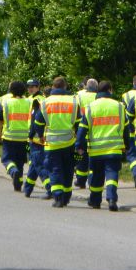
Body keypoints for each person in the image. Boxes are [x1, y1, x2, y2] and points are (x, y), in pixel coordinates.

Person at [75, 80, 129, 211]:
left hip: (96, 150)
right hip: (114, 149)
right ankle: (111, 198)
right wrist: (127, 145)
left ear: (98, 91)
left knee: (97, 175)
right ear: (110, 90)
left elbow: (82, 129)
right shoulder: (120, 107)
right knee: (112, 174)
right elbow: (126, 129)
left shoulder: (90, 107)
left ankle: (95, 200)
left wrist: (79, 146)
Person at [30, 76, 80, 208]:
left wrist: (40, 135)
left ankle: (58, 197)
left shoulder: (46, 102)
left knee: (54, 170)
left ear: (53, 87)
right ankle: (66, 197)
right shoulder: (73, 101)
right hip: (69, 142)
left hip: (51, 144)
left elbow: (37, 122)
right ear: (65, 87)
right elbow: (79, 124)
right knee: (69, 170)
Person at [0, 80, 31, 191]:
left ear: (11, 91)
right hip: (24, 137)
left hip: (9, 137)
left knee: (7, 159)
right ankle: (18, 184)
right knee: (20, 161)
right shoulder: (29, 102)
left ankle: (13, 171)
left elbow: (0, 119)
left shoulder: (6, 103)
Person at [23, 79, 50, 198]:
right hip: (41, 137)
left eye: (33, 86)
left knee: (39, 164)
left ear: (38, 87)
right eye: (28, 86)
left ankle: (50, 188)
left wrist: (30, 136)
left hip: (37, 138)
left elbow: (35, 121)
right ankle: (27, 189)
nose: (30, 89)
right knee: (34, 163)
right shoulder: (42, 99)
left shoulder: (36, 100)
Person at [74, 78, 98, 188]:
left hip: (82, 130)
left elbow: (75, 112)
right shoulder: (99, 97)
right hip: (96, 133)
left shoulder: (78, 95)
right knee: (93, 160)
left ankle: (81, 181)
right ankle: (91, 180)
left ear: (86, 86)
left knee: (82, 158)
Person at [121, 75, 136, 187]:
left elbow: (125, 114)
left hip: (131, 130)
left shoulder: (126, 95)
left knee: (131, 155)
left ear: (133, 83)